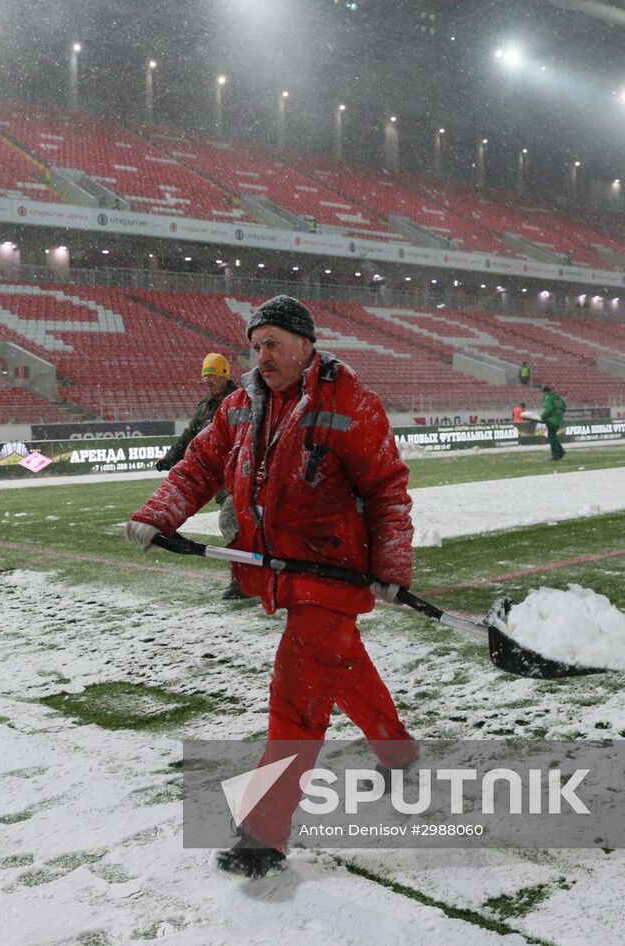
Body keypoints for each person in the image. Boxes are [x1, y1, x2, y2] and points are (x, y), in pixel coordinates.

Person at [125, 295, 416, 878]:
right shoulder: (239, 405)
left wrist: (390, 567)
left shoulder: (351, 403)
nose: (263, 356)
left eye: (275, 343)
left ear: (306, 344)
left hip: (332, 571)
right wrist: (160, 514)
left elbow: (386, 489)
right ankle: (398, 751)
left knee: (296, 697)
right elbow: (201, 464)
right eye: (257, 346)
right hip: (279, 568)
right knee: (342, 665)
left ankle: (264, 832)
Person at [156, 352, 247, 600]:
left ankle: (246, 580)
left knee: (230, 523)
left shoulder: (240, 401)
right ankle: (259, 575)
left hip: (241, 476)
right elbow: (190, 436)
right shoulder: (206, 406)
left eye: (213, 375)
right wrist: (170, 458)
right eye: (205, 376)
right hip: (222, 480)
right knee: (244, 528)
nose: (207, 380)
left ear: (224, 375)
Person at [541, 384, 566, 460]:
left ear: (545, 392)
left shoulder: (548, 397)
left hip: (551, 420)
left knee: (551, 437)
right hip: (559, 419)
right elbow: (564, 407)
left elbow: (549, 408)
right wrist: (559, 414)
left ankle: (556, 454)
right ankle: (560, 450)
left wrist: (542, 416)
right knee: (554, 436)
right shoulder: (558, 398)